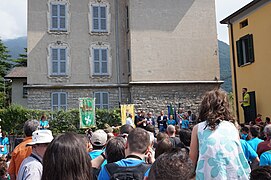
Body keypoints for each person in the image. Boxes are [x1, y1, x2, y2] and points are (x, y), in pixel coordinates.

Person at [190, 89, 250, 179]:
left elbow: (192, 157)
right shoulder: (233, 127)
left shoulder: (198, 128)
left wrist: (189, 175)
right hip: (234, 174)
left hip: (209, 175)